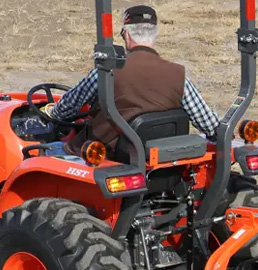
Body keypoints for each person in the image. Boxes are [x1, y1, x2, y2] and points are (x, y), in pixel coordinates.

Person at [43, 5, 220, 158]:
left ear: (126, 35)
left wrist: (52, 112)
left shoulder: (106, 72)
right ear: (155, 35)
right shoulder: (178, 75)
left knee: (42, 152)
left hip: (109, 156)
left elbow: (67, 107)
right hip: (163, 160)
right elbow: (209, 124)